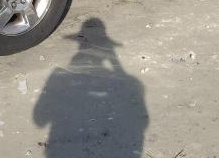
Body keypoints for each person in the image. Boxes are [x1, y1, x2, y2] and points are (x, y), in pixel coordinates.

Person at [34, 18, 149, 157]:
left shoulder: (59, 78)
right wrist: (116, 64)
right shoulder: (132, 84)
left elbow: (39, 120)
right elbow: (143, 122)